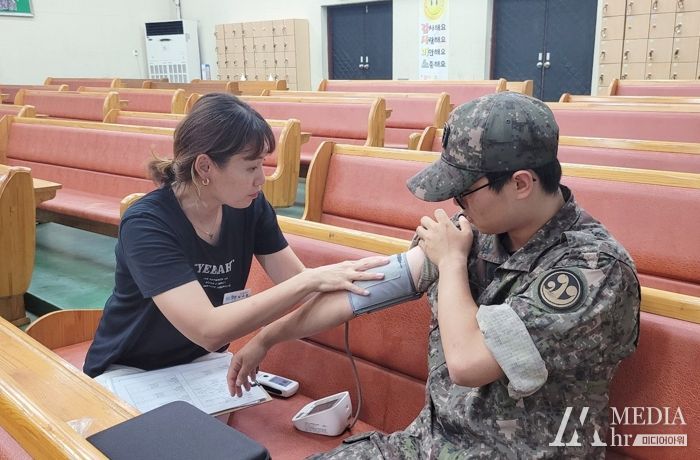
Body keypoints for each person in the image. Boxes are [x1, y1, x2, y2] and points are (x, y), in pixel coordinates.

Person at [227, 92, 640, 458]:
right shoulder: (478, 231)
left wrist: (451, 263)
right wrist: (268, 337)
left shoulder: (593, 270)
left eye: (465, 191)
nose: (456, 203)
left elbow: (468, 363)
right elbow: (360, 291)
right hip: (429, 443)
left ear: (521, 184)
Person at [83, 93, 387, 380]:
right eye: (251, 167)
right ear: (205, 167)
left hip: (200, 365)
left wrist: (387, 277)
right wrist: (309, 279)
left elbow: (303, 289)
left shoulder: (249, 206)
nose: (261, 179)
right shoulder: (147, 224)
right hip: (129, 370)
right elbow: (208, 329)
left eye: (263, 164)